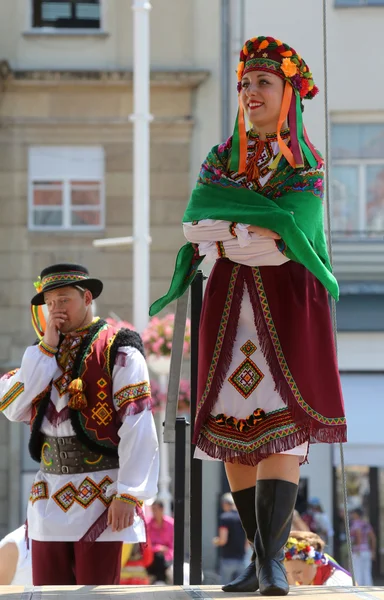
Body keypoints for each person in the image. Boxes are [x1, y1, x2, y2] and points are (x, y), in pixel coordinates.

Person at [150, 35, 347, 596]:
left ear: (289, 94)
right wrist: (251, 227)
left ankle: (274, 566)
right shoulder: (220, 158)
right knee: (235, 431)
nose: (250, 92)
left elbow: (289, 240)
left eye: (263, 82)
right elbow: (194, 227)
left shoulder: (305, 163)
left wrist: (231, 231)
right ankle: (262, 563)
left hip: (286, 308)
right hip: (230, 307)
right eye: (245, 84)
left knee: (282, 430)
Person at [0, 263, 159, 585]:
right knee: (47, 589)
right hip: (49, 494)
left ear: (87, 297)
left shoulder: (120, 349)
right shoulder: (42, 354)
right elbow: (12, 407)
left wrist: (129, 494)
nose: (56, 310)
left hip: (102, 491)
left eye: (64, 300)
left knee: (94, 591)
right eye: (50, 303)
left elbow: (138, 423)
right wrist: (45, 350)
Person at [285, 531, 353, 586]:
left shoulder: (337, 584)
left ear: (316, 563)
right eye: (287, 573)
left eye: (298, 572)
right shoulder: (304, 582)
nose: (294, 578)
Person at [213, 493, 246, 584]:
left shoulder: (225, 518)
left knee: (225, 586)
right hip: (241, 558)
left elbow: (223, 540)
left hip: (228, 558)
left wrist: (216, 541)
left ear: (225, 504)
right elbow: (247, 540)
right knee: (241, 586)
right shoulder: (243, 517)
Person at [146, 500, 174, 583]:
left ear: (162, 509)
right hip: (153, 555)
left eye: (156, 509)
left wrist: (168, 552)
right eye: (152, 509)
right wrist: (158, 548)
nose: (154, 512)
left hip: (168, 556)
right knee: (158, 558)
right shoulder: (148, 523)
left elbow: (173, 543)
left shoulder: (171, 523)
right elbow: (147, 544)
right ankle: (160, 580)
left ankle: (160, 580)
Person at [350, 508, 376, 586]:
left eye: (353, 513)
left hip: (358, 550)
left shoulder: (356, 523)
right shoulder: (366, 524)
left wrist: (358, 547)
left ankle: (358, 590)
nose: (352, 515)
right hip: (366, 550)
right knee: (366, 571)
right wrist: (373, 551)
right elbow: (373, 537)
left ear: (357, 514)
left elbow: (358, 535)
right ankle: (369, 588)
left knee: (357, 571)